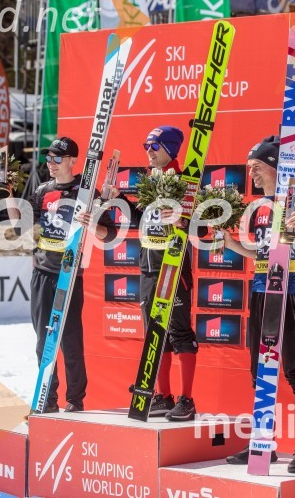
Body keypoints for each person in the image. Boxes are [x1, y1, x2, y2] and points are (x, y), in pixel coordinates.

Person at [221, 135, 295, 473]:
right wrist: (232, 244)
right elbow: (260, 253)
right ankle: (262, 444)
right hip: (260, 291)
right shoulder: (259, 207)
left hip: (291, 294)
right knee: (260, 372)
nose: (250, 173)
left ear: (271, 166)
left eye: (255, 167)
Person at [7, 136, 115, 413]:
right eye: (48, 158)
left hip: (69, 274)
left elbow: (109, 233)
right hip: (43, 273)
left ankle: (75, 400)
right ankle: (48, 400)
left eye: (57, 159)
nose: (51, 164)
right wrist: (7, 193)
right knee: (43, 340)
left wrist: (93, 225)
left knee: (70, 340)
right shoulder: (43, 190)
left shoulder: (87, 191)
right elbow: (21, 227)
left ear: (71, 161)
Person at [107, 126, 199, 422]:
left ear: (170, 150)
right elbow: (140, 220)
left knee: (180, 332)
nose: (148, 150)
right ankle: (164, 396)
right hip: (148, 267)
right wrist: (120, 198)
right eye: (146, 145)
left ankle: (187, 400)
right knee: (155, 335)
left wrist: (185, 221)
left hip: (173, 266)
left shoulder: (186, 183)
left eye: (155, 146)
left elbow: (205, 227)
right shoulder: (151, 180)